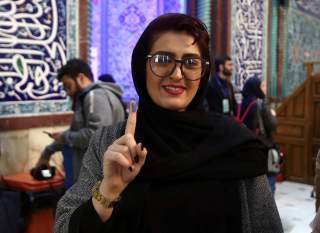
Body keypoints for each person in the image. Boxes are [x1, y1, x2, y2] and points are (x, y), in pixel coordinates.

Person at [54, 14, 283, 233]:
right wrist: (107, 191)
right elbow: (64, 225)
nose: (176, 74)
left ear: (203, 72)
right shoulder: (111, 142)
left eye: (191, 62)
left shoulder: (234, 143)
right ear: (142, 66)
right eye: (163, 59)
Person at [35, 59, 125, 184]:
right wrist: (48, 151)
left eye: (68, 86)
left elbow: (96, 135)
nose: (68, 92)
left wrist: (65, 137)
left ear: (81, 78)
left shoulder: (95, 96)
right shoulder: (89, 97)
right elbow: (79, 132)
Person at [241, 76, 279, 194]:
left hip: (248, 146)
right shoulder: (260, 103)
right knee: (269, 180)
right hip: (263, 146)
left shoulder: (244, 102)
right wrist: (272, 114)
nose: (265, 88)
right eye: (262, 86)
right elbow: (272, 124)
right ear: (256, 88)